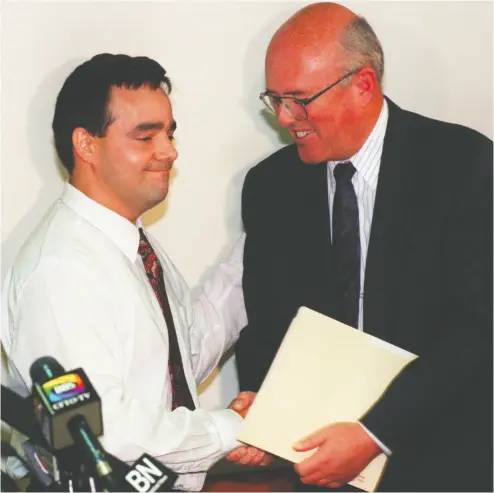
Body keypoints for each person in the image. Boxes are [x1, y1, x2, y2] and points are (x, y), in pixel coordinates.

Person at [234, 3, 493, 491]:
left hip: (443, 461)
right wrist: (260, 399)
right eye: (275, 99)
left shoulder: (464, 167)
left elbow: (480, 329)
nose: (287, 118)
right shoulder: (270, 188)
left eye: (300, 99)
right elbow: (266, 325)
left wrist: (376, 434)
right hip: (317, 470)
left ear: (363, 84)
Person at [1, 53, 268, 492]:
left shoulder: (131, 243)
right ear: (86, 144)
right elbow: (102, 434)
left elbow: (181, 358)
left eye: (168, 133)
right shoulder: (62, 271)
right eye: (145, 137)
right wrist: (229, 428)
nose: (169, 151)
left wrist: (259, 245)